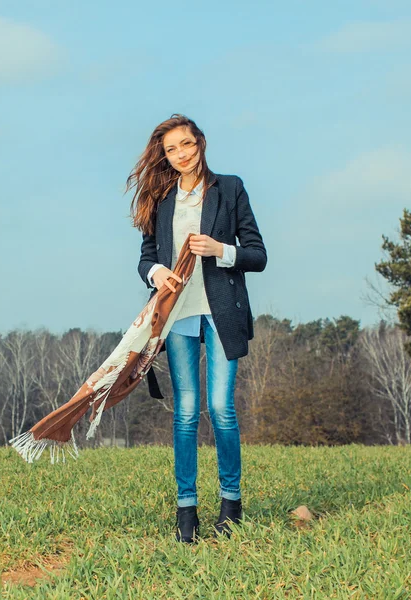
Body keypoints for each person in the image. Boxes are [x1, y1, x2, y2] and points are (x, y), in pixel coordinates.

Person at [127, 114, 267, 543]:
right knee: (186, 412)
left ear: (200, 142)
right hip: (178, 315)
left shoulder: (230, 187)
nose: (181, 153)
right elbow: (145, 258)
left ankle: (231, 503)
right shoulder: (161, 197)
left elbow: (258, 255)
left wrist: (221, 250)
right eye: (172, 149)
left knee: (221, 409)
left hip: (222, 313)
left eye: (186, 144)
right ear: (165, 156)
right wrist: (157, 274)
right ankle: (186, 512)